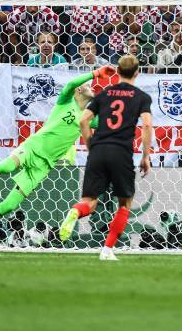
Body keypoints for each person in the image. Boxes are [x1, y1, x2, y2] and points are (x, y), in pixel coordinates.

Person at [0, 66, 117, 247]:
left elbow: (110, 122)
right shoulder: (65, 101)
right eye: (89, 86)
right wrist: (95, 73)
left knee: (9, 205)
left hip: (44, 165)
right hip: (33, 147)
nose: (92, 88)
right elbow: (71, 83)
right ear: (79, 90)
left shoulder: (87, 118)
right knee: (6, 166)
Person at [59, 55, 153, 261]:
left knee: (89, 202)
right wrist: (146, 156)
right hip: (121, 152)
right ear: (137, 73)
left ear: (117, 72)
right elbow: (146, 125)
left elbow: (84, 121)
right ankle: (107, 250)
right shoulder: (141, 97)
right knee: (124, 203)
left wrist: (91, 145)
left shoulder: (103, 95)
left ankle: (75, 212)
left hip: (99, 151)